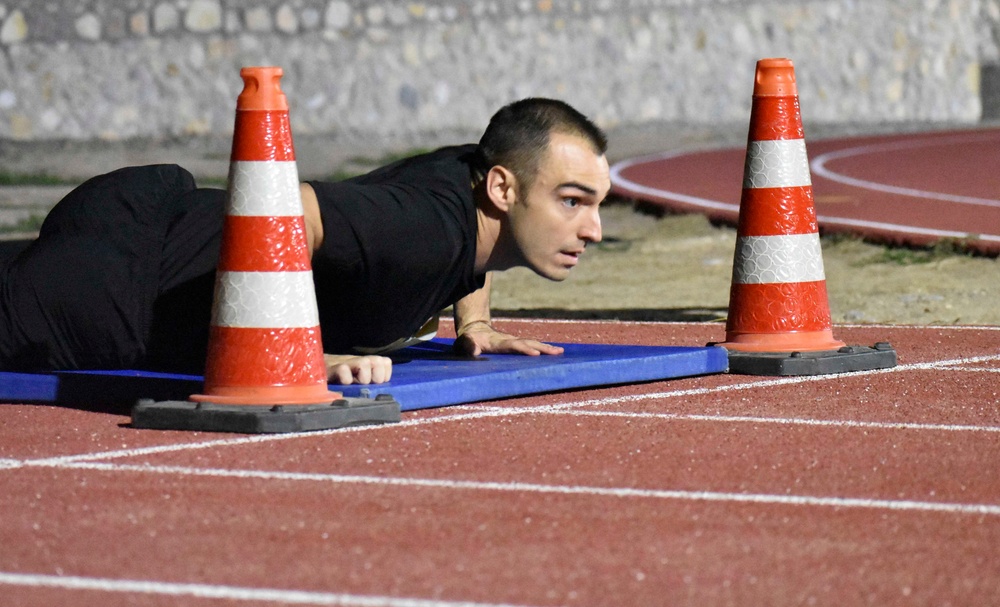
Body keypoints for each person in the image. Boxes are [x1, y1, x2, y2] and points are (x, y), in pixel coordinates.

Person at [0, 98, 611, 385]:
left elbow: (480, 242)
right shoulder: (424, 228)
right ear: (503, 189)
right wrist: (287, 351)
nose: (594, 229)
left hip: (151, 223)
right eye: (572, 201)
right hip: (120, 289)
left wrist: (474, 321)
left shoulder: (477, 196)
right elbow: (288, 209)